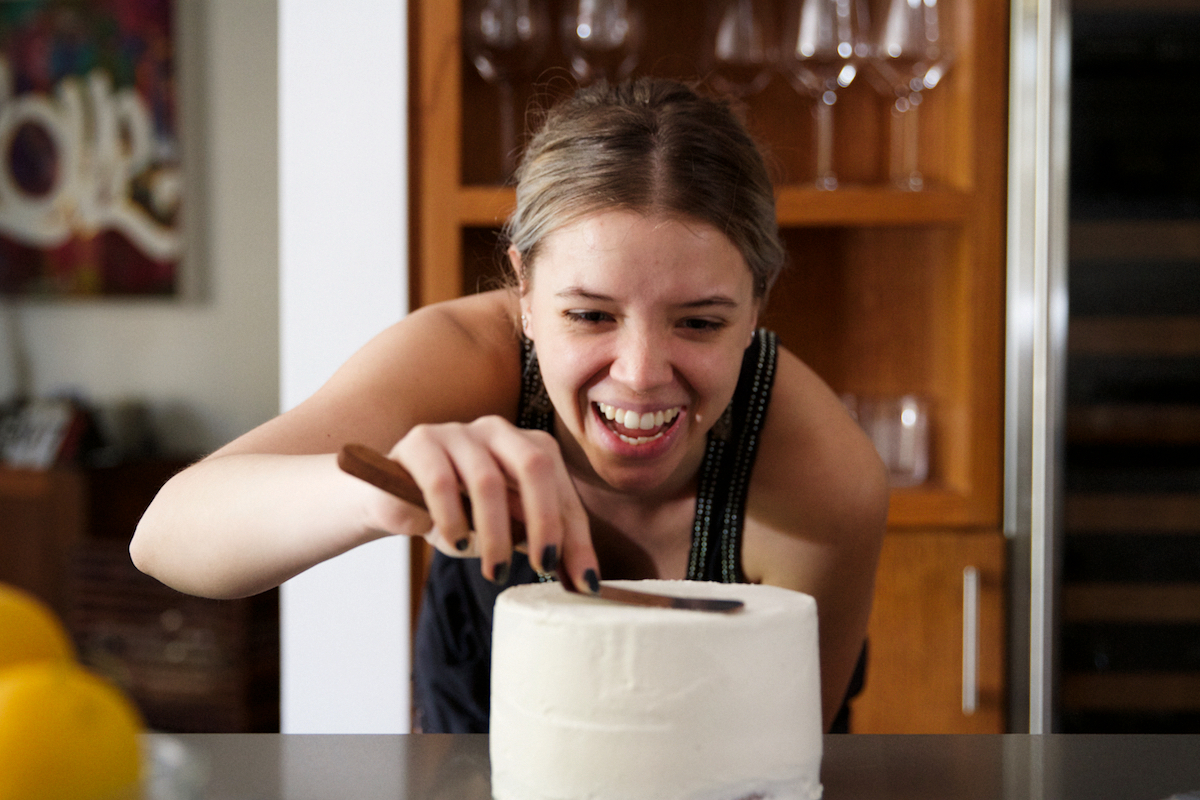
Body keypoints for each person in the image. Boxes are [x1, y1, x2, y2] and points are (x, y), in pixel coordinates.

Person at [130, 77, 888, 735]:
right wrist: (376, 492)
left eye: (699, 322)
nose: (639, 374)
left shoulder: (825, 476)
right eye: (589, 315)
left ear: (757, 307)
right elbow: (165, 536)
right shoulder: (468, 355)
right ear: (523, 290)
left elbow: (775, 761)